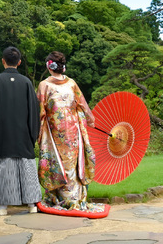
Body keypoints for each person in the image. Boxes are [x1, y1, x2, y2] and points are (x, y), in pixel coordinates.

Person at [0, 46, 41, 216]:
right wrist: (33, 133)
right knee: (27, 168)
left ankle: (2, 206)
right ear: (19, 62)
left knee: (3, 168)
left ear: (3, 61)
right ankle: (32, 204)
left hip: (2, 133)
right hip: (23, 134)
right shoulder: (26, 82)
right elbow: (34, 111)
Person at [37, 51, 96, 211]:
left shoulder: (44, 85)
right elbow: (82, 104)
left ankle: (61, 198)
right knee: (71, 162)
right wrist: (90, 120)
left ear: (49, 65)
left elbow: (40, 110)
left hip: (55, 130)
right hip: (73, 129)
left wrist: (37, 130)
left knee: (58, 162)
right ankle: (74, 197)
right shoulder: (71, 83)